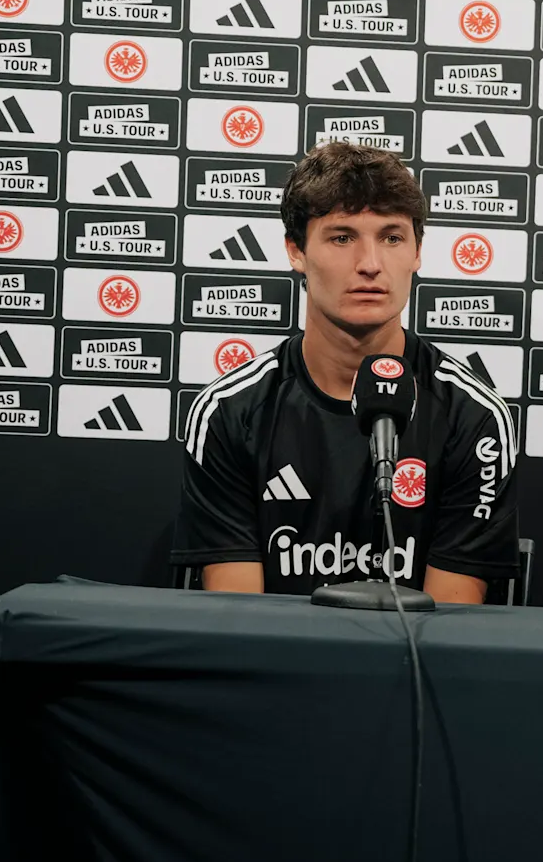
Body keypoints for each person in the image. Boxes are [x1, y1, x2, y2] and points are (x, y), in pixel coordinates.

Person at [172, 143, 518, 600]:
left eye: (392, 238)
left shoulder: (472, 416)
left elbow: (452, 630)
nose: (370, 264)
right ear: (296, 251)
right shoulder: (230, 412)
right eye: (342, 237)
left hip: (412, 668)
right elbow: (239, 622)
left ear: (417, 253)